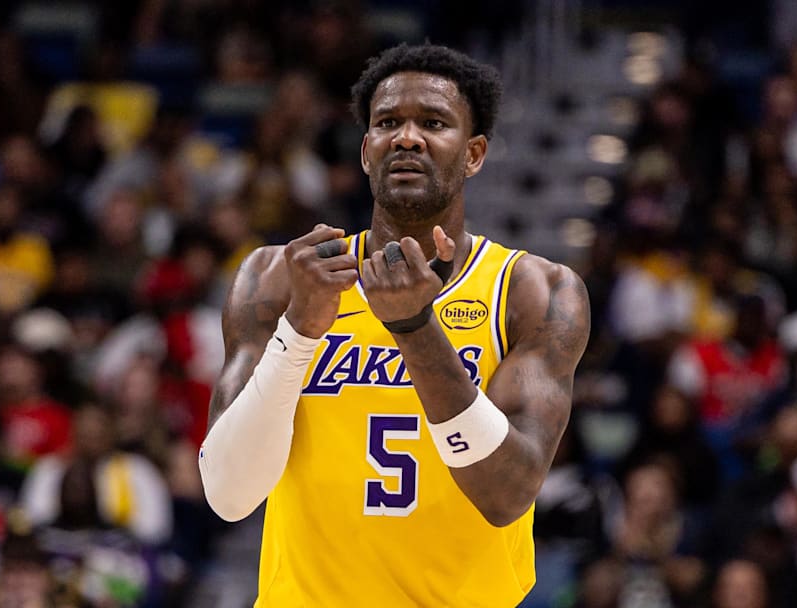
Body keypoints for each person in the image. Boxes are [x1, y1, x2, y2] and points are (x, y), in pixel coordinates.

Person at [198, 43, 591, 606]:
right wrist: (300, 331)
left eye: (433, 123)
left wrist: (415, 327)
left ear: (474, 153)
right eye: (388, 123)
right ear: (365, 151)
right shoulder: (278, 278)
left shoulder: (533, 291)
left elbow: (506, 493)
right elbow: (229, 494)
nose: (407, 137)